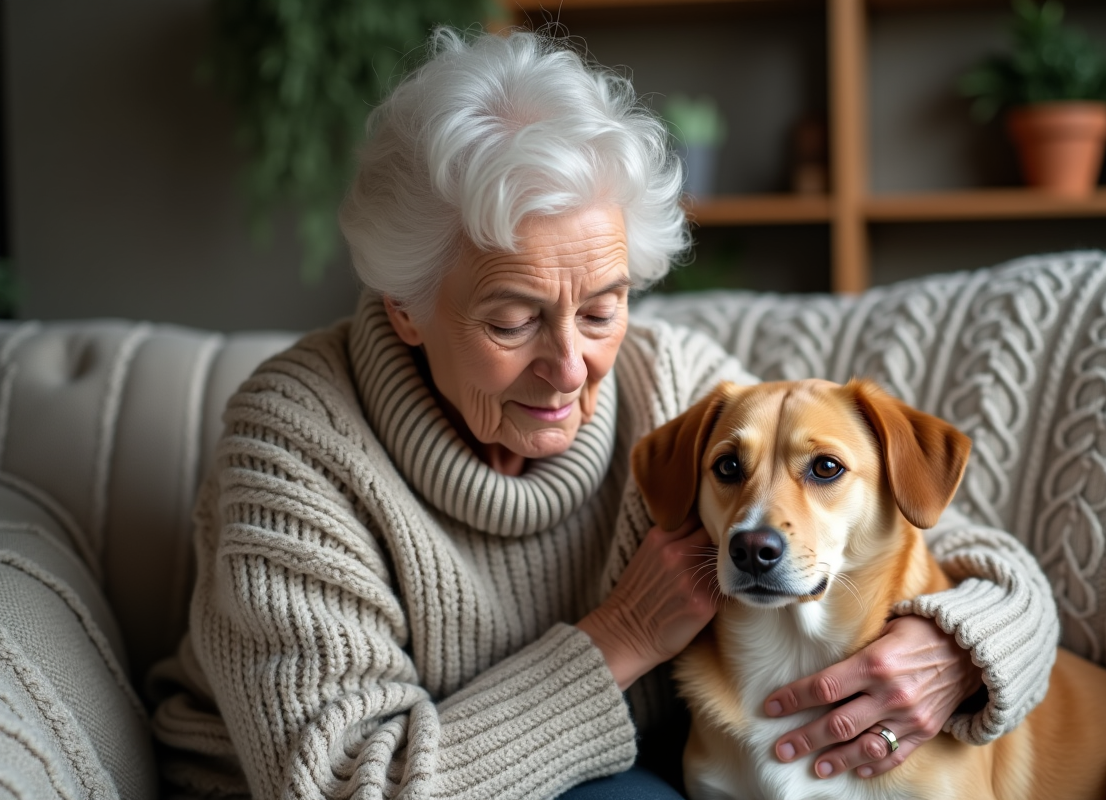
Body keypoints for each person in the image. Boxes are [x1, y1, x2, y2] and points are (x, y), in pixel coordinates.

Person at [150, 28, 1060, 800]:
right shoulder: (296, 440)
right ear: (405, 308)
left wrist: (961, 648)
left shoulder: (684, 394)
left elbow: (927, 531)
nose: (570, 367)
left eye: (601, 308)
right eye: (511, 320)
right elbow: (347, 780)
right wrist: (620, 640)